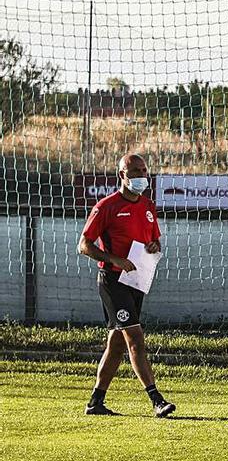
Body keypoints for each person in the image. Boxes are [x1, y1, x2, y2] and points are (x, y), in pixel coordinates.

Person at [76, 153, 175, 418]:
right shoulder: (106, 206)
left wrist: (155, 246)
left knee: (117, 344)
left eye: (144, 170)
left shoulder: (147, 206)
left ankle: (95, 402)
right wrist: (113, 258)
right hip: (113, 282)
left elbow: (154, 242)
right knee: (135, 339)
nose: (142, 176)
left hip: (135, 281)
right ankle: (156, 400)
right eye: (135, 171)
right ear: (122, 174)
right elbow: (84, 245)